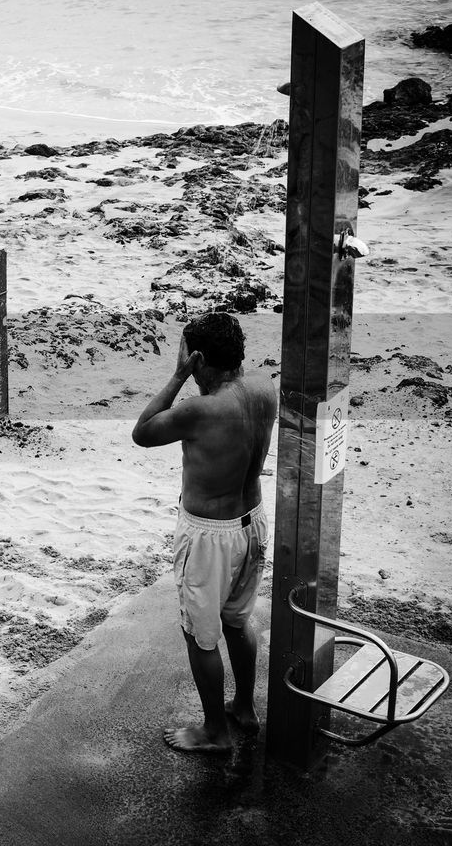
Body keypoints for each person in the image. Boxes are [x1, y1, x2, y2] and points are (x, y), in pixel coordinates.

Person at [131, 312, 277, 753]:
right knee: (237, 620)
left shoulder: (200, 409)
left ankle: (215, 732)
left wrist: (177, 376)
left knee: (200, 635)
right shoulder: (264, 388)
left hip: (210, 535)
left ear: (196, 358)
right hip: (253, 521)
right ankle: (244, 708)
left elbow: (142, 432)